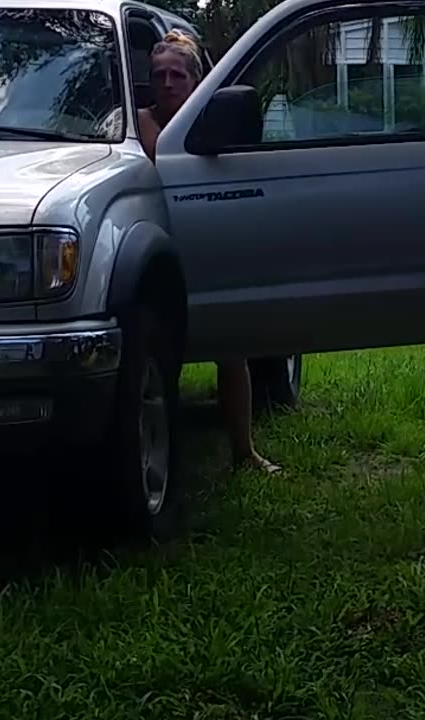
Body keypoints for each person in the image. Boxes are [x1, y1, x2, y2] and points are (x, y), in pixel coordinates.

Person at [138, 30, 281, 475]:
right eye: (158, 75)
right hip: (152, 253)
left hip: (207, 242)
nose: (165, 84)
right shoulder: (140, 122)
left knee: (230, 348)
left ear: (197, 81)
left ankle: (245, 452)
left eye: (176, 75)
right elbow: (165, 158)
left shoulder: (211, 122)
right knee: (160, 356)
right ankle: (163, 453)